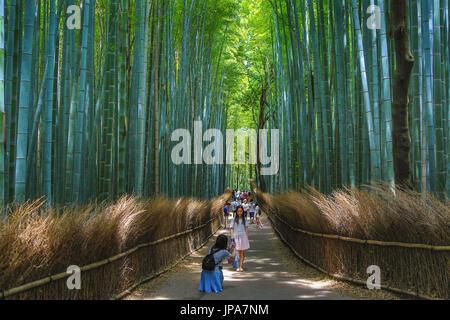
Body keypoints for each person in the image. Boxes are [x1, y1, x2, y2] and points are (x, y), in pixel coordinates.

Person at [230, 205, 250, 272]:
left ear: (242, 211)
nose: (239, 212)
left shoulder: (244, 219)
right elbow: (231, 229)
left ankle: (240, 266)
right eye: (238, 211)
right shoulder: (233, 219)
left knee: (242, 253)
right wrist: (232, 238)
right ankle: (237, 266)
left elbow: (246, 228)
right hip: (236, 237)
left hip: (243, 237)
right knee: (238, 252)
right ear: (236, 212)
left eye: (241, 211)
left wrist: (247, 237)